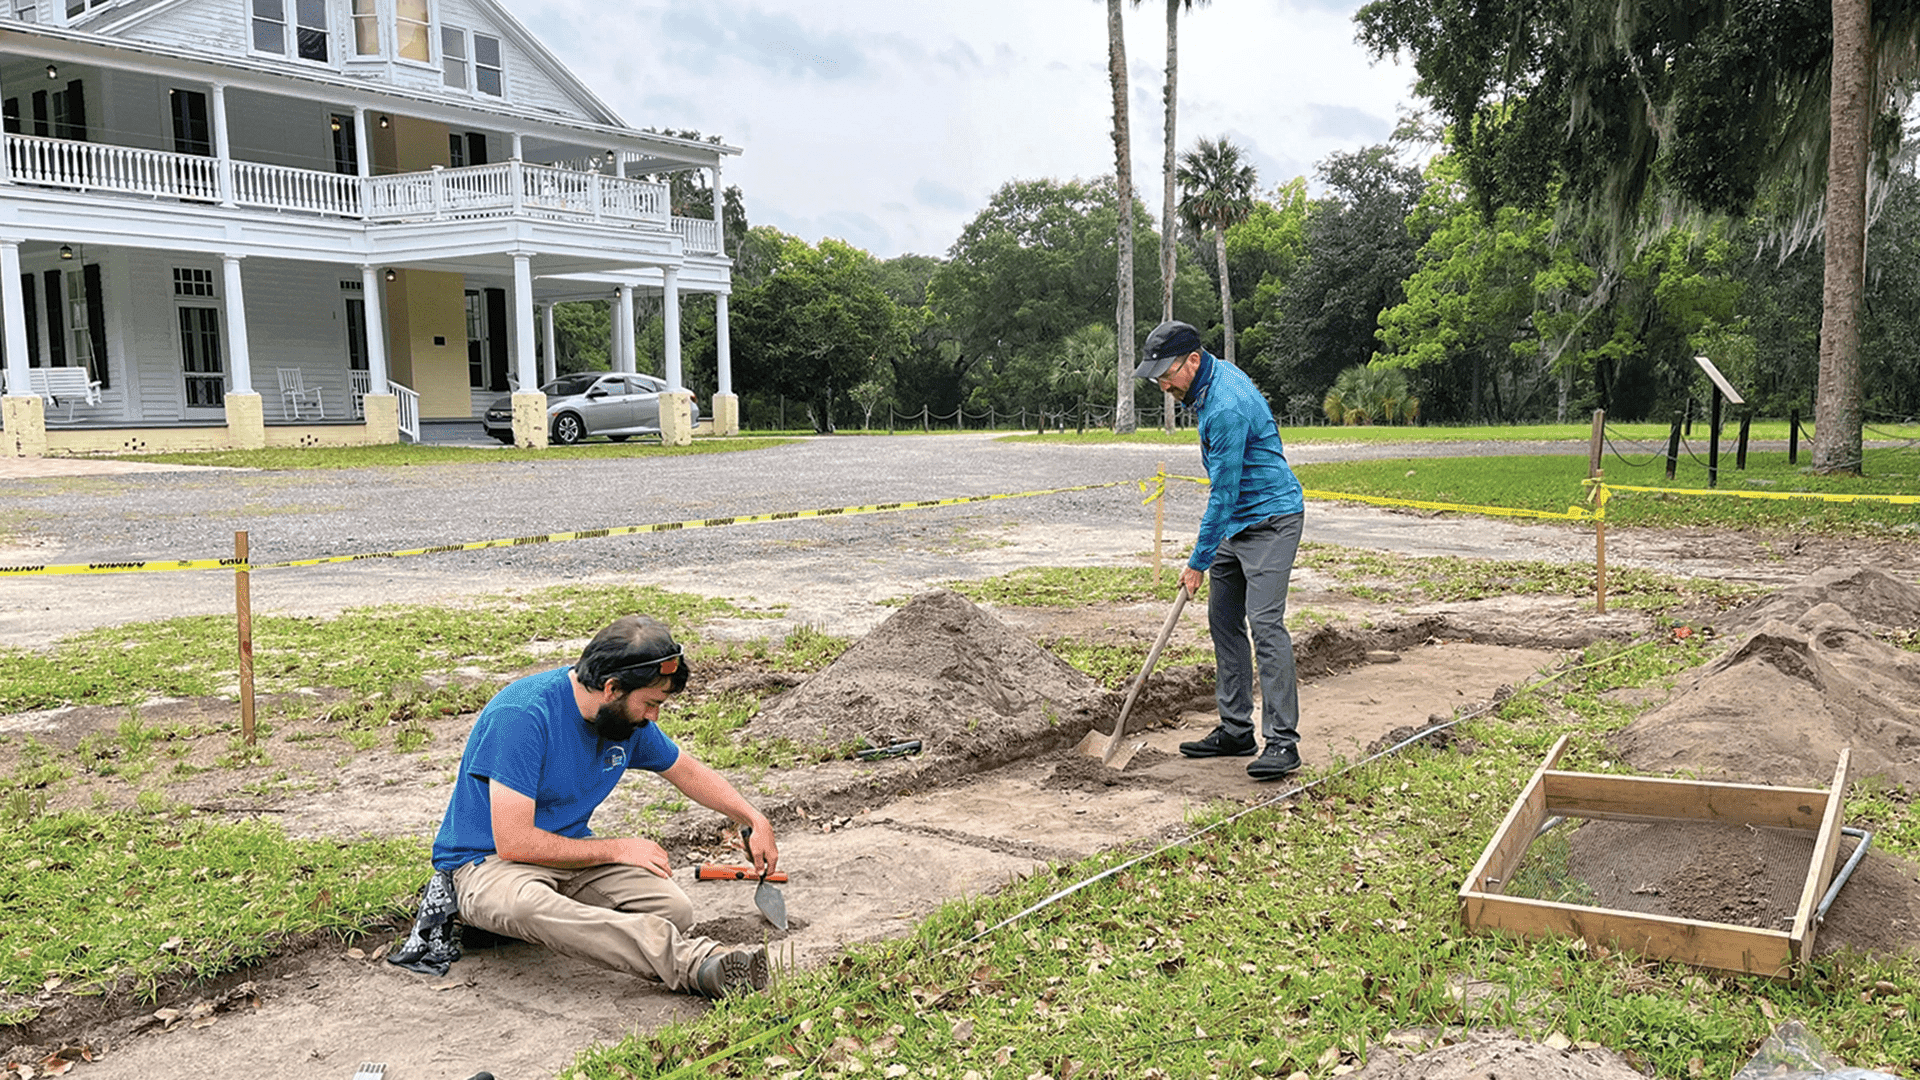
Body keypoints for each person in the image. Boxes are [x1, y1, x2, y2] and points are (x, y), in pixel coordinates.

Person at [412, 614, 777, 998]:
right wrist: (618, 848)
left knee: (674, 910)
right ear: (611, 687)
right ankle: (696, 964)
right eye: (650, 704)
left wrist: (752, 817)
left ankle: (559, 921)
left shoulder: (623, 720)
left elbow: (687, 771)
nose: (654, 717)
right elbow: (514, 843)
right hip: (486, 864)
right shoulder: (522, 715)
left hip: (567, 857)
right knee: (525, 907)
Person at [1133, 320, 1306, 780]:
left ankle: (1283, 743)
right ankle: (1235, 730)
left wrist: (1197, 562)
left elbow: (1223, 494)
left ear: (1193, 360)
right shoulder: (1205, 385)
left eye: (1166, 373)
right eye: (1156, 375)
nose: (1162, 384)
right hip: (1237, 521)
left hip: (1271, 519)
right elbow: (1228, 500)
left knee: (1265, 624)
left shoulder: (1225, 403)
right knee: (1223, 620)